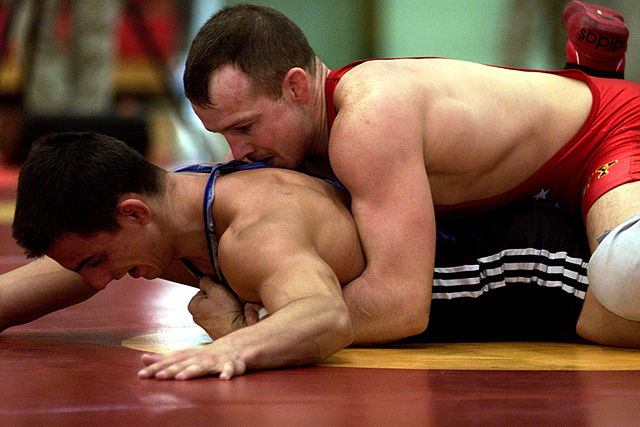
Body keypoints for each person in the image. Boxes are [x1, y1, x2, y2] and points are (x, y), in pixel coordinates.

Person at [181, 2, 640, 346]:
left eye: (245, 126)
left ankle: (597, 81)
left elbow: (399, 307)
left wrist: (253, 330)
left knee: (623, 279)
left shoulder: (366, 123)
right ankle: (589, 71)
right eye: (224, 134)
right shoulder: (319, 131)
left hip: (610, 132)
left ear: (297, 86)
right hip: (551, 150)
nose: (237, 151)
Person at [5, 131, 603, 381]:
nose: (104, 281)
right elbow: (62, 274)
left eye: (99, 262)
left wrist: (230, 342)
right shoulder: (170, 204)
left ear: (134, 212)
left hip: (533, 264)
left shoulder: (256, 232)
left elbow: (324, 317)